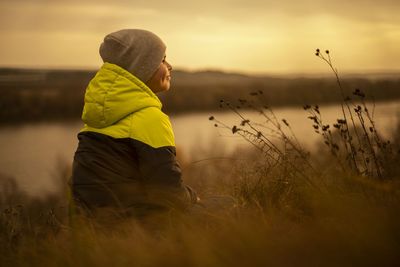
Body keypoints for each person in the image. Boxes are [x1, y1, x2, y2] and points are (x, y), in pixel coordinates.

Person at [70, 29, 198, 219]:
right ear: (142, 67)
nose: (169, 66)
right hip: (133, 224)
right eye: (162, 60)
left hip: (90, 222)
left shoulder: (98, 115)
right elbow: (169, 194)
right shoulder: (149, 118)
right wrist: (194, 197)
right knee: (226, 204)